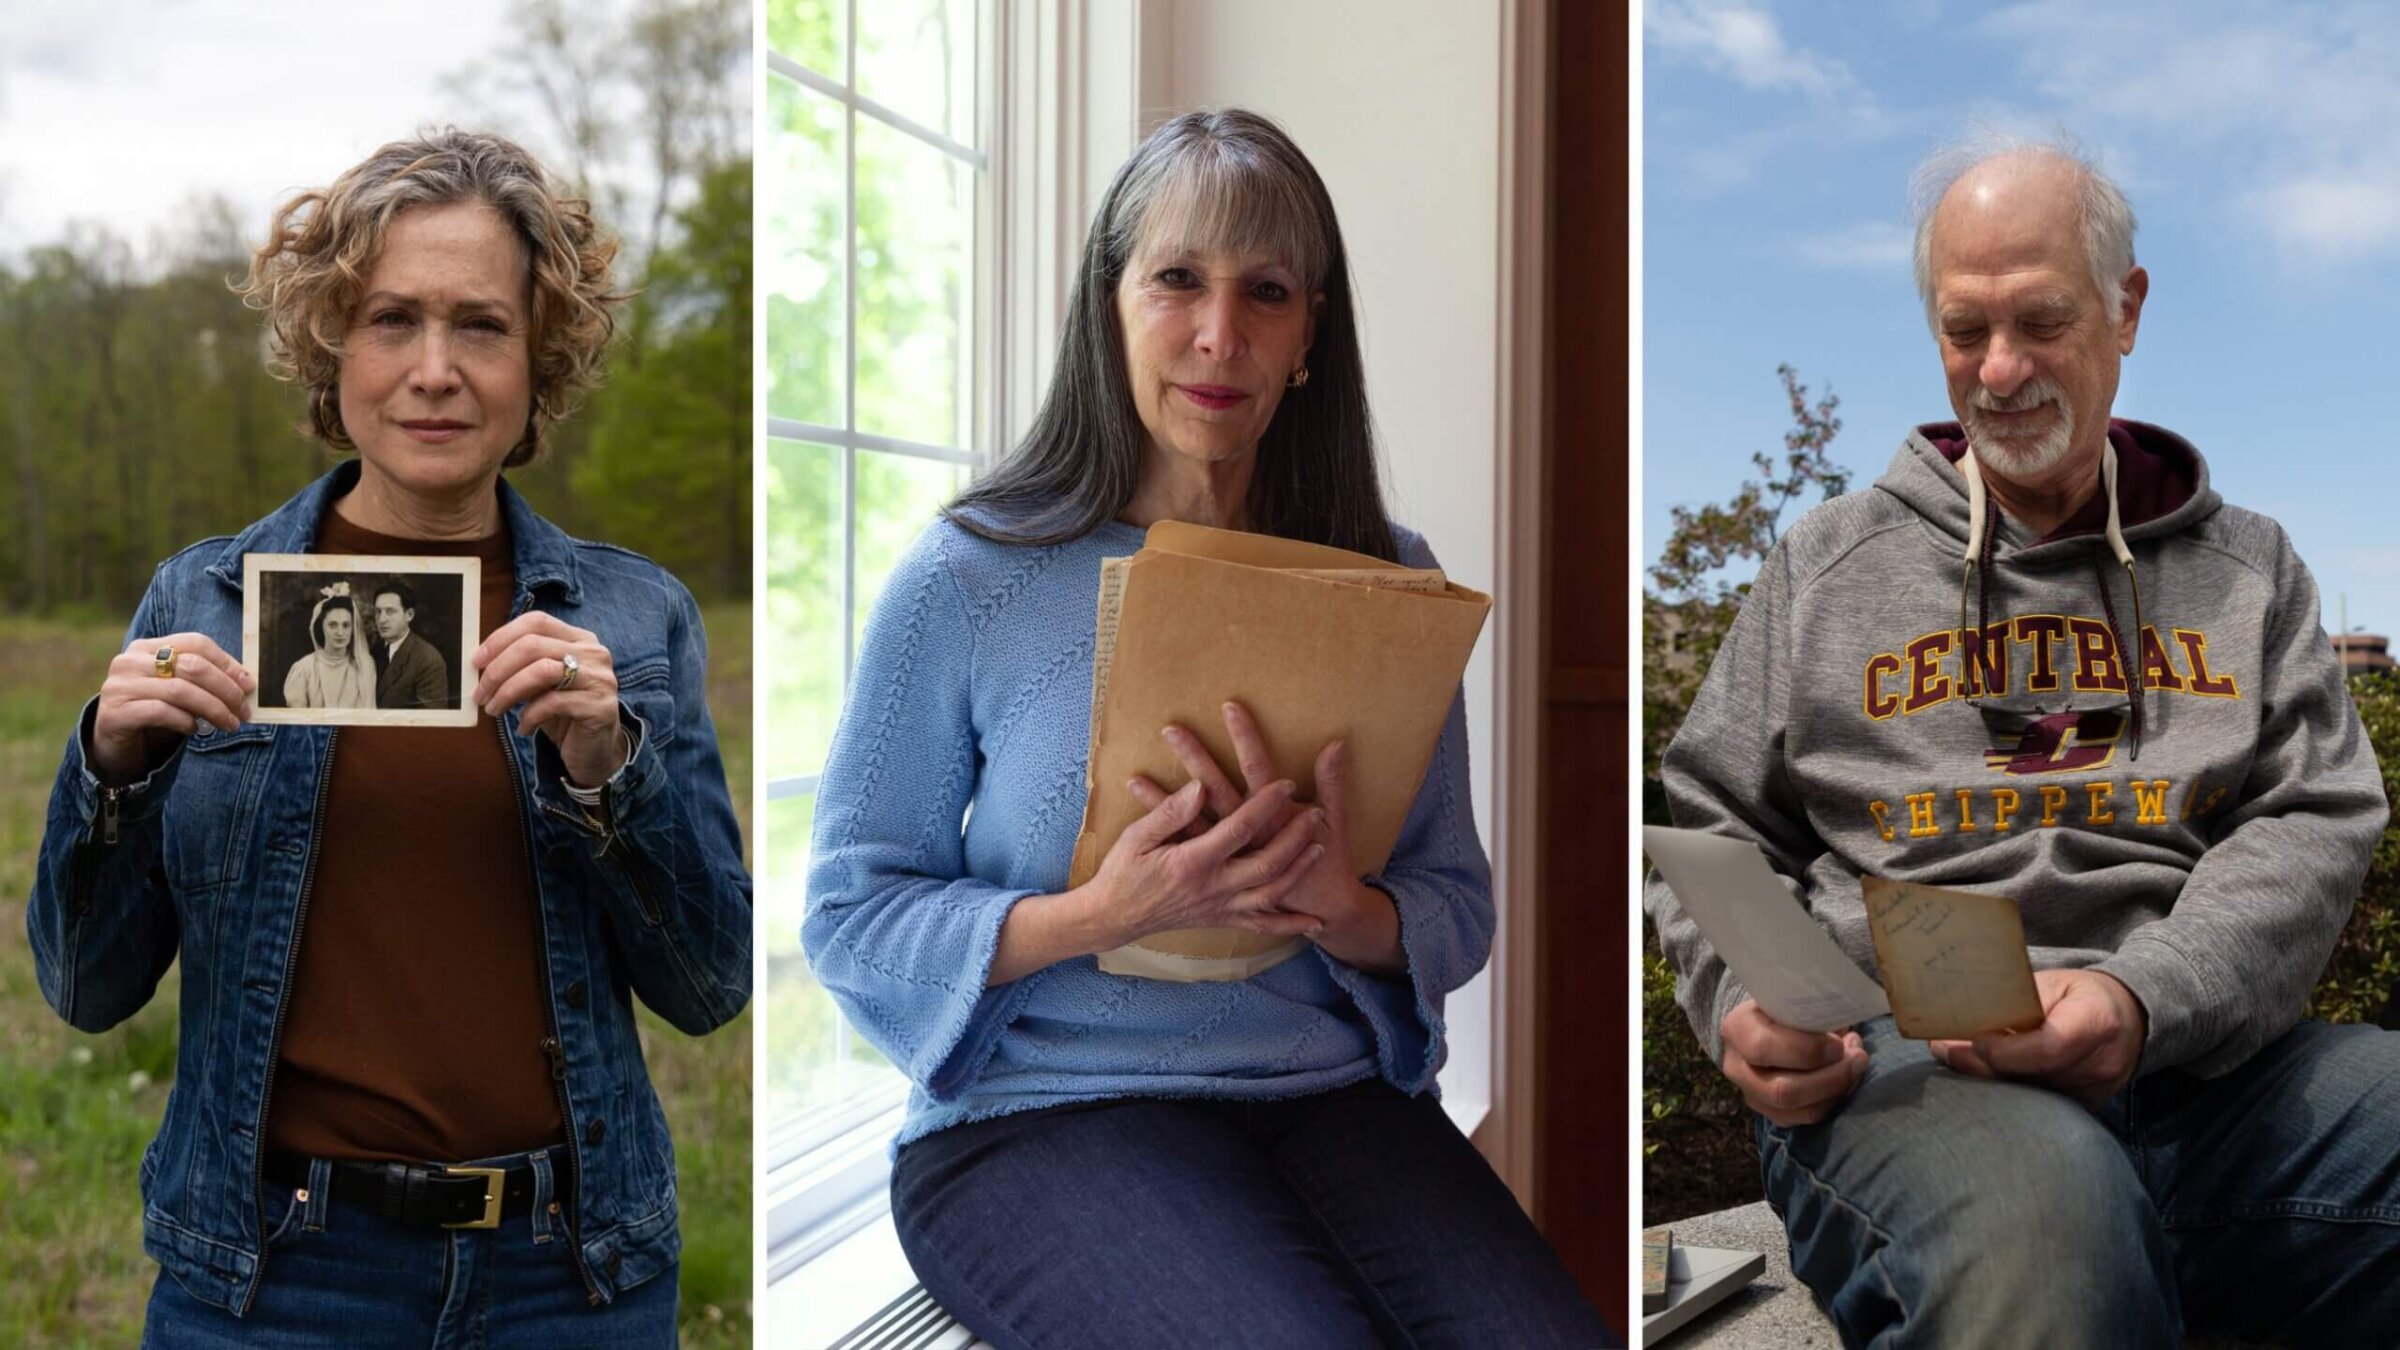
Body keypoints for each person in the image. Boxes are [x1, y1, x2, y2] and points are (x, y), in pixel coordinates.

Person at [804, 109, 1612, 1349]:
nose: (1219, 334)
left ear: (1309, 336)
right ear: (1110, 302)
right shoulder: (968, 575)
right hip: (1042, 1119)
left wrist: (1345, 908)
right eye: (1177, 279)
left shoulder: (1386, 580)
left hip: (1332, 1097)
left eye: (1266, 291)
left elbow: (1456, 900)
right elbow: (850, 919)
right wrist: (1101, 915)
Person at [1644, 130, 2395, 1347]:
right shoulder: (1826, 567)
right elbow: (1716, 819)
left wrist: (2138, 998)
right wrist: (1741, 1002)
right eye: (1962, 329)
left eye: (2041, 321)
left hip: (2210, 1077)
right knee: (2051, 1229)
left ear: (2125, 307)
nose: (1999, 371)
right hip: (1909, 1074)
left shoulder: (2249, 568)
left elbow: (2313, 815)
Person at [26, 129, 749, 1346]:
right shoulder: (203, 601)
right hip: (269, 1280)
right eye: (391, 321)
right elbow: (87, 987)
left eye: (481, 325)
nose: (435, 370)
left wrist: (607, 767)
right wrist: (112, 766)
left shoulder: (631, 619)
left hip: (568, 1280)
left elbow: (709, 981)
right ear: (331, 348)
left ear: (538, 359)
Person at [282, 584, 377, 710]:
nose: (340, 633)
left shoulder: (364, 666)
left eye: (346, 625)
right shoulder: (304, 669)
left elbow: (368, 715)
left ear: (353, 628)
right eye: (333, 625)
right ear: (322, 627)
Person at [372, 579, 448, 708]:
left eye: (390, 611)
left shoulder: (428, 660)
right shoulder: (374, 651)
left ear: (409, 615)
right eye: (378, 611)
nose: (381, 619)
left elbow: (432, 721)